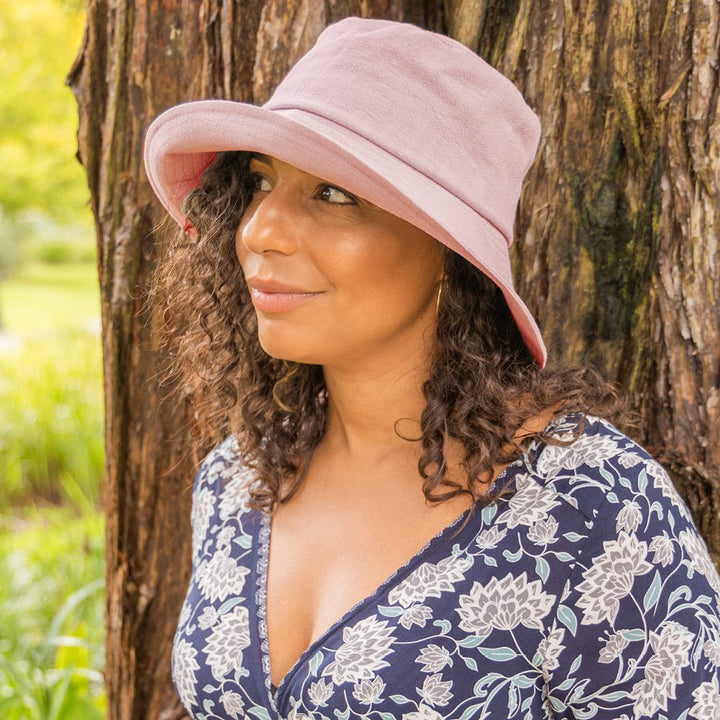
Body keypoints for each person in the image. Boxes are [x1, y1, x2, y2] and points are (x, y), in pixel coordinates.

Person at [144, 17, 720, 720]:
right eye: (261, 182)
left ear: (452, 253)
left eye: (333, 194)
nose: (259, 230)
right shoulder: (238, 478)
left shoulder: (593, 510)